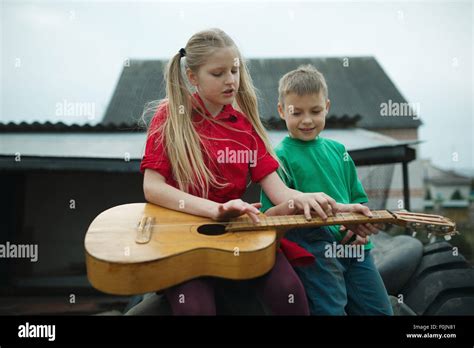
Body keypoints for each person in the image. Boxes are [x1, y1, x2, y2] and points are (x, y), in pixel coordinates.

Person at [260, 65, 394, 316]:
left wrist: (361, 231)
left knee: (380, 310)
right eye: (296, 112)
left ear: (327, 107)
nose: (307, 120)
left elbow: (357, 199)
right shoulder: (278, 159)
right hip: (315, 253)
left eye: (315, 111)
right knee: (331, 310)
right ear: (281, 111)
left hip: (356, 249)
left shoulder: (339, 151)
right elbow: (272, 216)